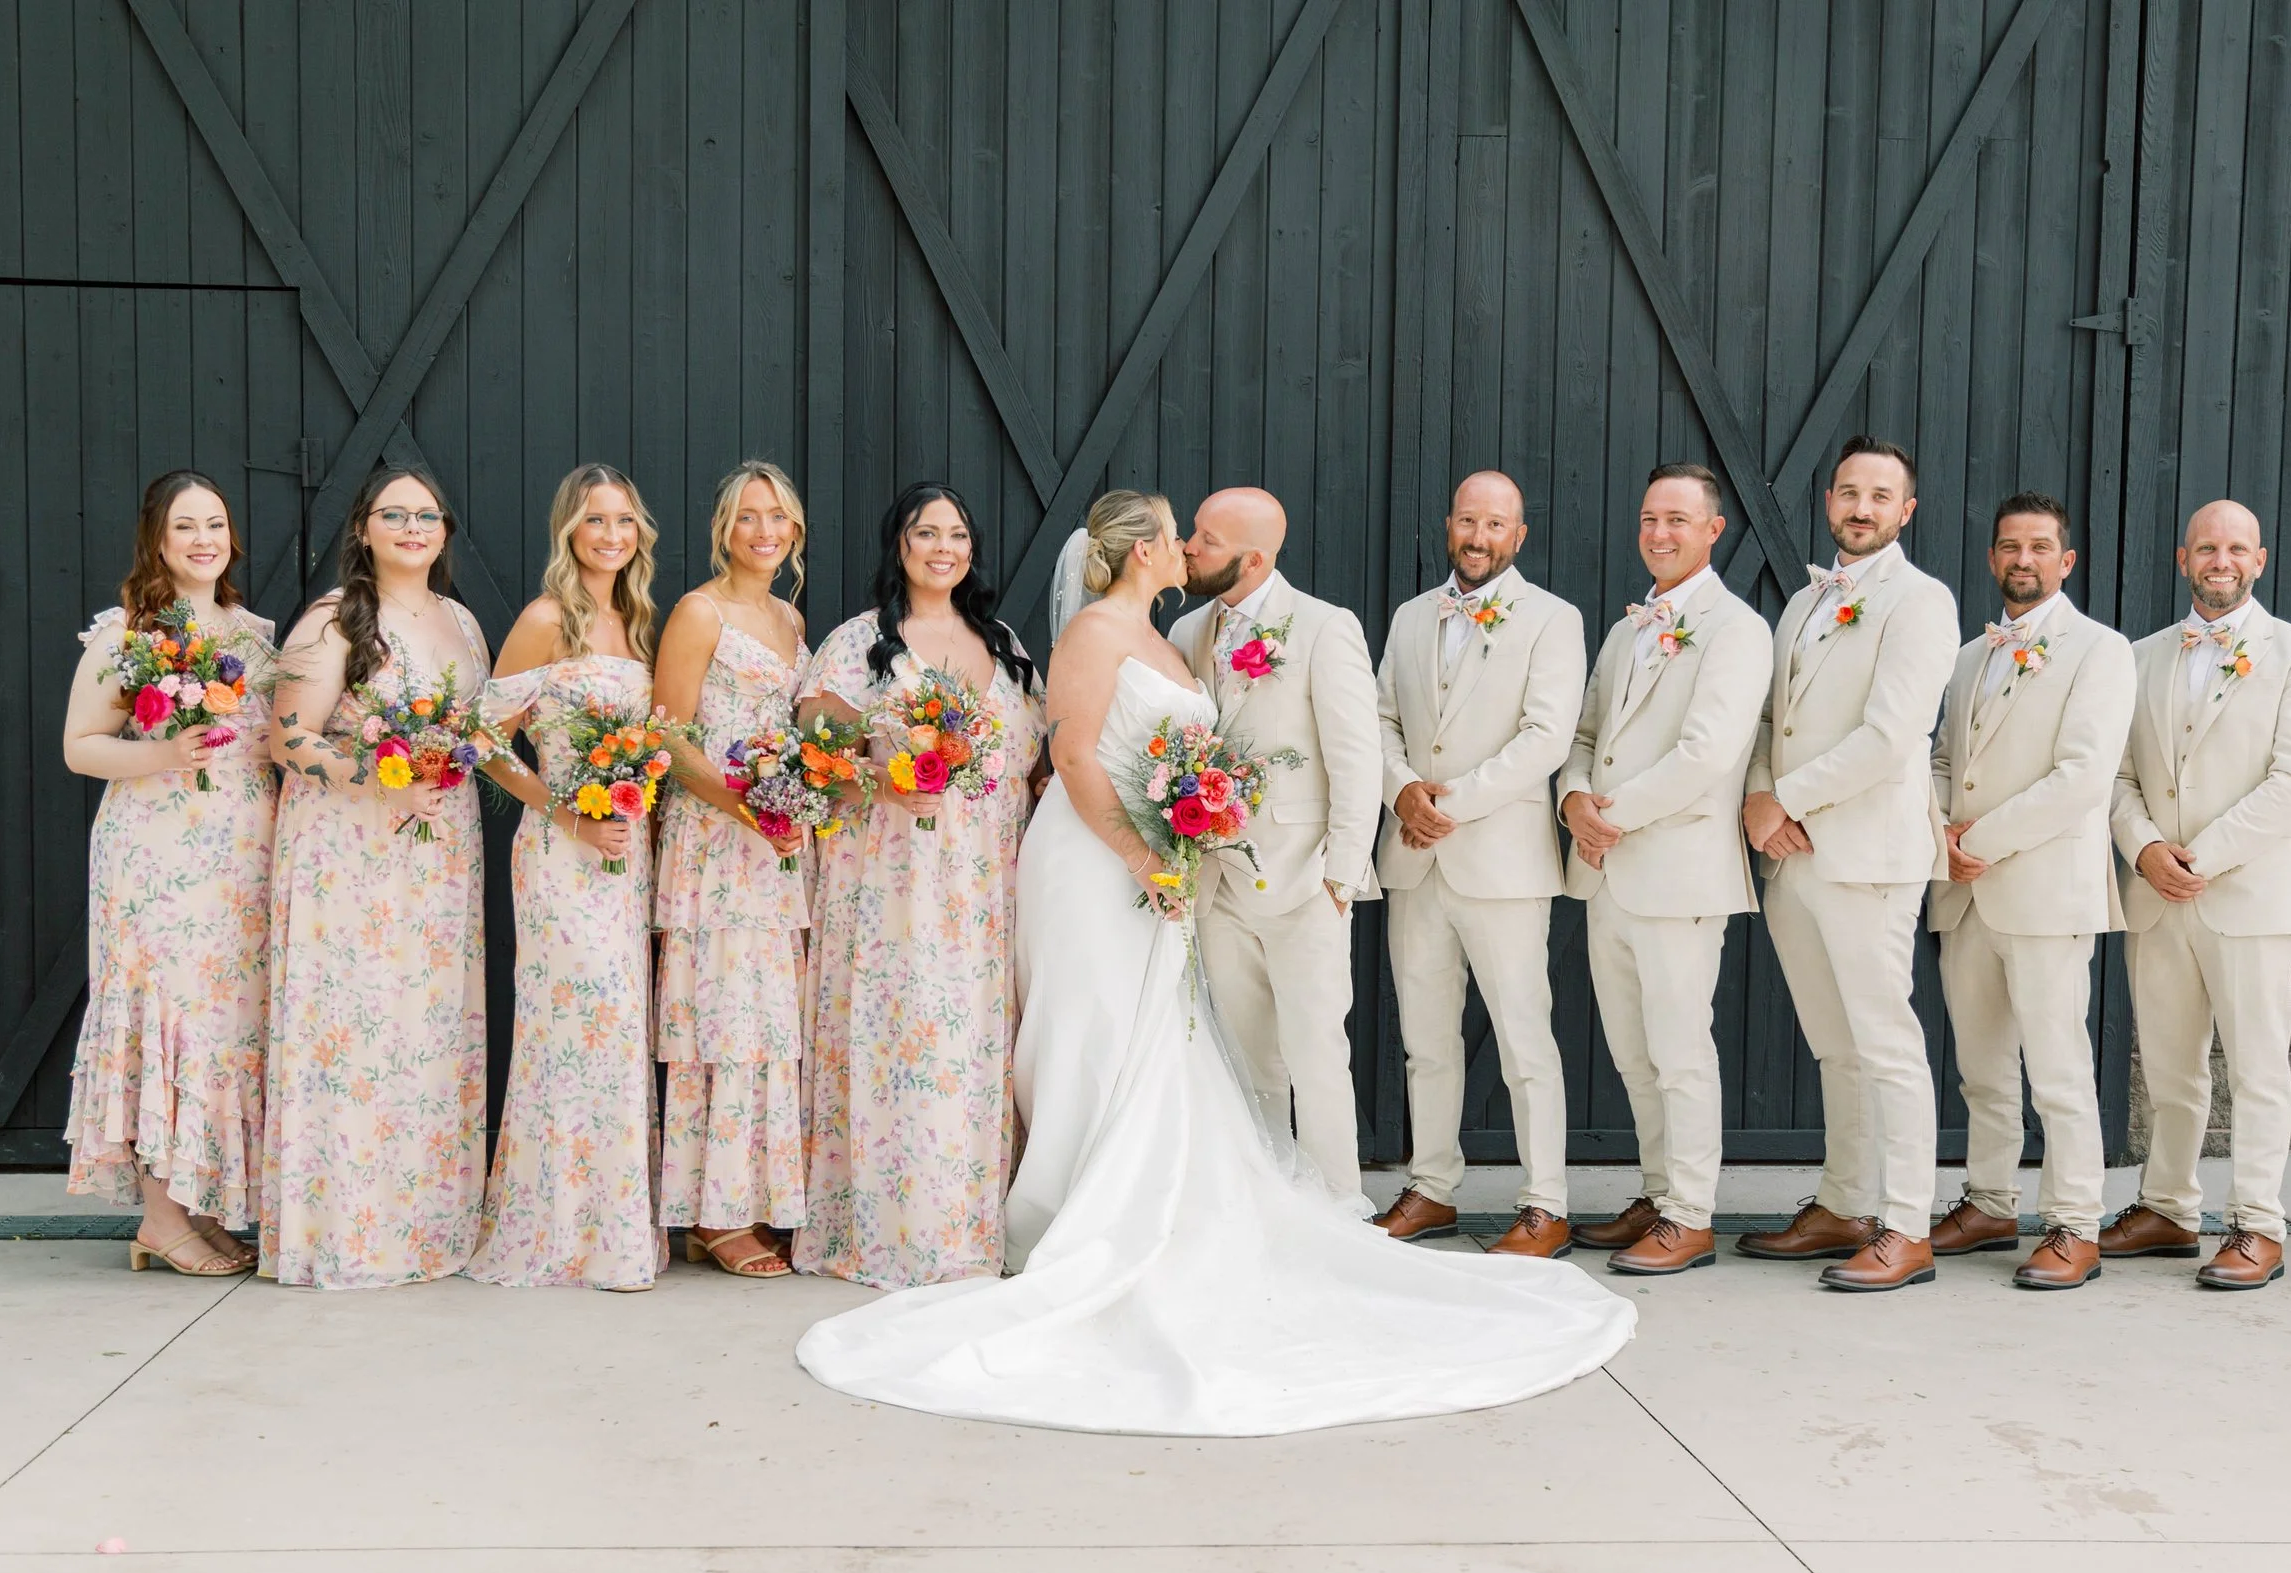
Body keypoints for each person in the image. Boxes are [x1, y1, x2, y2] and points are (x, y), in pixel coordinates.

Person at [793, 490, 1634, 1437]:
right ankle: (1073, 1213)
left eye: (1198, 534)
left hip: (1176, 871)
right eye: (1176, 532)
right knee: (1093, 1028)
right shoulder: (1101, 635)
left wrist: (1256, 850)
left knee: (1180, 1037)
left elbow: (1316, 748)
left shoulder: (1181, 635)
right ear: (1141, 550)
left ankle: (1203, 1202)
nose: (1188, 544)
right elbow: (1074, 762)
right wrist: (1148, 854)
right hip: (1096, 862)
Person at [791, 483, 1047, 1288]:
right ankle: (885, 1224)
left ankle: (968, 1220)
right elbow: (813, 744)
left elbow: (1036, 760)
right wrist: (878, 762)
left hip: (985, 886)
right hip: (891, 883)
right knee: (897, 1038)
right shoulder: (858, 642)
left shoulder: (1002, 643)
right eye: (925, 532)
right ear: (897, 545)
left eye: (958, 534)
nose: (944, 547)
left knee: (974, 1046)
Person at [1735, 436, 1959, 1292]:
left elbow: (1892, 734)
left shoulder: (1921, 602)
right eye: (1849, 493)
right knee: (1836, 1044)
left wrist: (1783, 798)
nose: (1861, 508)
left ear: (1906, 511)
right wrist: (1764, 803)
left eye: (1881, 496)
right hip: (1794, 855)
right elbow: (1770, 721)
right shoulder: (1803, 602)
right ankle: (1845, 1202)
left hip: (1867, 852)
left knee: (1886, 1040)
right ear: (1830, 501)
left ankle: (1907, 1225)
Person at [262, 468, 491, 1288]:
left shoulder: (461, 621)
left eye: (426, 514)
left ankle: (426, 1223)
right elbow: (288, 739)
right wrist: (375, 771)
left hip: (438, 858)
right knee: (357, 1030)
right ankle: (347, 1229)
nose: (412, 526)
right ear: (363, 528)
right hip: (350, 858)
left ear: (444, 529)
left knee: (426, 1030)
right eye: (393, 514)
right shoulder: (332, 620)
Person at [2103, 499, 2291, 1289]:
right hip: (2158, 892)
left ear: (2260, 560)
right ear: (2183, 559)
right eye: (2207, 548)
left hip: (2250, 894)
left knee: (2257, 1066)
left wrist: (2198, 857)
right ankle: (2168, 1207)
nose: (2221, 561)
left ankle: (2257, 1224)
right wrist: (2142, 849)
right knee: (2169, 1065)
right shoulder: (2139, 657)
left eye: (2236, 548)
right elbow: (2118, 774)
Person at [1557, 464, 1772, 1275]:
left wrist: (1609, 817)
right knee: (1631, 1050)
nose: (1660, 533)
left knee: (1681, 1048)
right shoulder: (1628, 628)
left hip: (1676, 869)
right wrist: (1574, 799)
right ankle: (1657, 1191)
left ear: (1713, 530)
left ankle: (1691, 1213)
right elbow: (1583, 734)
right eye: (1650, 518)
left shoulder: (1735, 628)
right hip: (1606, 867)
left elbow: (1709, 754)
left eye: (1678, 520)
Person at [61, 472, 278, 1275]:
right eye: (184, 526)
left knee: (224, 1025)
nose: (202, 540)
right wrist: (163, 752)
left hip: (241, 859)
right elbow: (81, 746)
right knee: (168, 1018)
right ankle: (160, 1217)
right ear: (157, 539)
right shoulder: (131, 633)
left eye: (214, 524)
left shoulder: (254, 634)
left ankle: (196, 1202)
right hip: (159, 856)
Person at [1370, 471, 1586, 1259]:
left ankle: (1546, 1204)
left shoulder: (1553, 620)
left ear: (1518, 537)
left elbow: (1547, 738)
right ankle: (1432, 1188)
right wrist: (1400, 793)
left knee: (1526, 1037)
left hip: (1500, 862)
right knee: (1425, 1039)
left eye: (1496, 524)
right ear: (1449, 524)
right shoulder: (1409, 617)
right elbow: (1382, 716)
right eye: (1468, 519)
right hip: (1415, 859)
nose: (1479, 535)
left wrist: (1447, 803)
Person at [465, 464, 669, 1292]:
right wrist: (567, 814)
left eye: (625, 521)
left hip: (626, 854)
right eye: (596, 521)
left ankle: (611, 1228)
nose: (612, 535)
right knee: (571, 1031)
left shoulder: (638, 621)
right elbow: (482, 736)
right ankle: (554, 1230)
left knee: (618, 1033)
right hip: (562, 852)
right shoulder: (547, 620)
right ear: (569, 531)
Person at [1926, 494, 2132, 1290]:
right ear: (1992, 558)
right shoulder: (1970, 657)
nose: (2023, 560)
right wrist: (1939, 828)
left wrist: (1977, 841)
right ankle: (1989, 1199)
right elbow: (1945, 758)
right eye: (2009, 546)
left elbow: (2081, 777)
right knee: (1981, 1065)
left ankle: (2076, 1224)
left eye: (2039, 547)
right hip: (1965, 888)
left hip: (2045, 889)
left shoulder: (2100, 650)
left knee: (2057, 1066)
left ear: (2065, 561)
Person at [1165, 486, 1379, 1205]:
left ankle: (1339, 1206)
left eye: (1207, 539)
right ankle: (1270, 1202)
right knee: (1250, 1060)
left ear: (1254, 559)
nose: (1189, 547)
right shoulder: (1187, 632)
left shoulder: (1323, 628)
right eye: (1194, 532)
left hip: (1302, 882)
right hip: (1217, 886)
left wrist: (1341, 880)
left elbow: (1357, 759)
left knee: (1318, 1055)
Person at [649, 462, 814, 1278]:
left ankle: (751, 1196)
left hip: (774, 847)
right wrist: (746, 807)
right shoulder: (699, 611)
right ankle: (712, 1213)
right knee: (722, 1023)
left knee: (767, 1027)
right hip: (717, 840)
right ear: (725, 527)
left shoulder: (789, 616)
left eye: (777, 517)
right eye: (748, 516)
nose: (763, 531)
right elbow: (668, 736)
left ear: (794, 530)